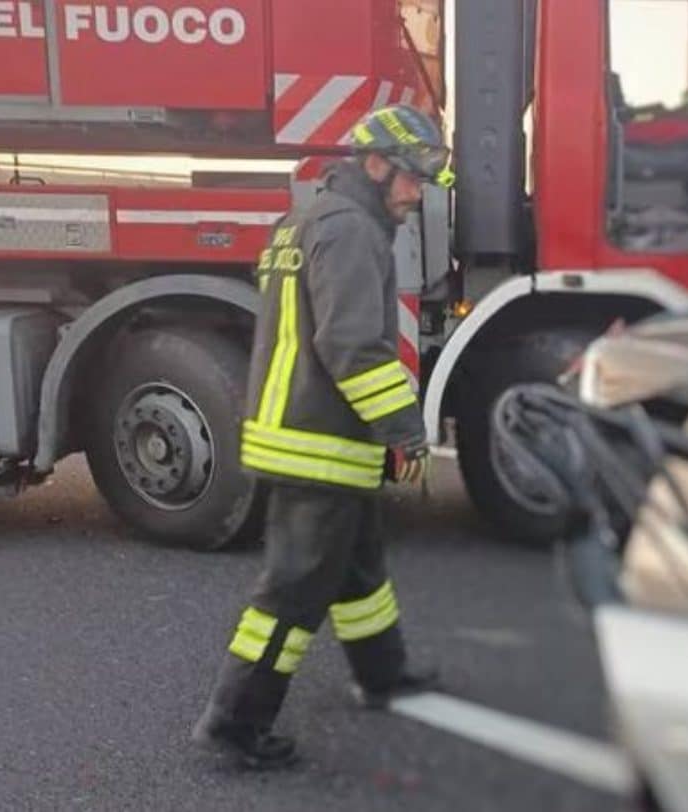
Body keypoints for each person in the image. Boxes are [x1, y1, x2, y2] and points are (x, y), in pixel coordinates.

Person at [191, 104, 452, 770]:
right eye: (409, 178)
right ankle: (234, 724)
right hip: (319, 445)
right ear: (375, 163)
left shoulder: (305, 220)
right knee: (293, 594)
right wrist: (406, 432)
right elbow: (352, 348)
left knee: (360, 572)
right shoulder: (353, 231)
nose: (413, 194)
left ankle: (381, 673)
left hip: (307, 434)